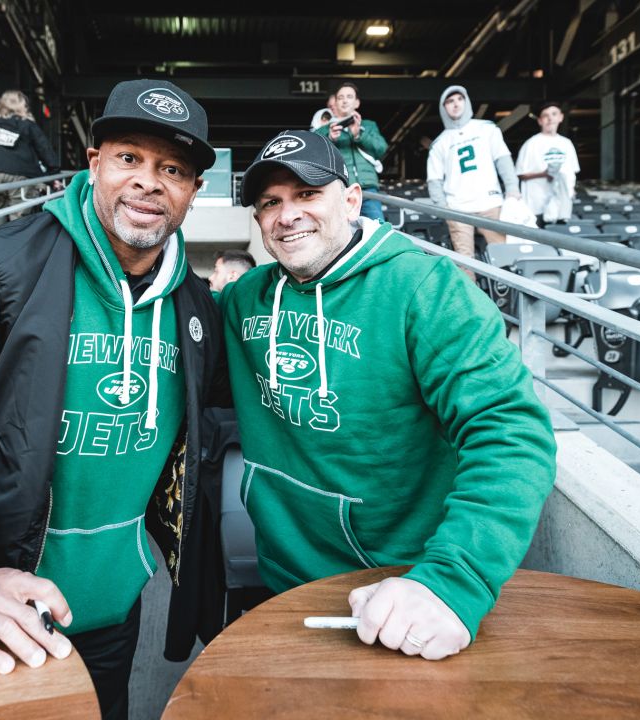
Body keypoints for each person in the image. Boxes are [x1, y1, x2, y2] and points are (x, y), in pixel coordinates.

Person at [0, 78, 230, 720]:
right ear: (94, 165)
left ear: (194, 192)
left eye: (173, 169)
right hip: (1, 601)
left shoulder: (196, 308)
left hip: (114, 606)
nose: (148, 181)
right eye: (129, 158)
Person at [220, 130, 556, 661]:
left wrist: (452, 580)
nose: (287, 215)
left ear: (352, 201)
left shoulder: (427, 288)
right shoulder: (245, 300)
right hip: (280, 584)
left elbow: (510, 432)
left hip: (404, 592)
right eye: (270, 203)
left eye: (307, 194)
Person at [426, 85, 521, 274]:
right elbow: (434, 180)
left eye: (459, 99)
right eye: (450, 101)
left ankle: (507, 300)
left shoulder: (487, 128)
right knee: (465, 262)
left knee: (504, 257)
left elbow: (503, 160)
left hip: (490, 203)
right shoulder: (440, 142)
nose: (455, 104)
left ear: (466, 101)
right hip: (458, 208)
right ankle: (472, 304)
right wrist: (444, 208)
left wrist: (512, 189)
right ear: (443, 107)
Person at [0, 90, 62, 227]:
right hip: (20, 176)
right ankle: (17, 247)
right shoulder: (27, 124)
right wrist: (53, 174)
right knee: (20, 219)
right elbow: (45, 149)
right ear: (22, 105)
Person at [312, 82, 388, 221]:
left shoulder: (368, 125)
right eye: (340, 97)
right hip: (340, 190)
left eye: (349, 96)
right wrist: (330, 138)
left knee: (377, 229)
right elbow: (313, 155)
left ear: (357, 102)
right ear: (335, 103)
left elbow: (381, 149)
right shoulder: (324, 130)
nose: (345, 100)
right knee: (342, 234)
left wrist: (359, 134)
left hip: (368, 189)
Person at [516, 101, 581, 226]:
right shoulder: (531, 144)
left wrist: (571, 189)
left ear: (561, 117)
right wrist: (544, 174)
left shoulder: (566, 144)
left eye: (554, 114)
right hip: (537, 205)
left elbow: (572, 171)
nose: (550, 118)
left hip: (562, 205)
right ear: (540, 120)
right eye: (546, 115)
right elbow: (520, 174)